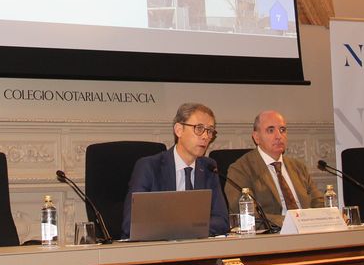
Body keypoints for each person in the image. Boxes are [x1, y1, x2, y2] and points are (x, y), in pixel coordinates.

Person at [121, 102, 229, 238]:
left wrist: (183, 230)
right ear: (179, 130)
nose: (205, 136)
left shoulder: (209, 168)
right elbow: (131, 223)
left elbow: (222, 220)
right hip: (157, 248)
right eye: (199, 128)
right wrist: (186, 229)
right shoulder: (149, 167)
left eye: (210, 131)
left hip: (198, 247)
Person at [223, 110, 324, 228]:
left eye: (282, 130)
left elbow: (318, 202)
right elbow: (246, 214)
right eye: (270, 130)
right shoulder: (241, 169)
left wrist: (324, 217)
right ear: (256, 137)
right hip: (273, 234)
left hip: (309, 231)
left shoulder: (298, 167)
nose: (279, 136)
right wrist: (289, 222)